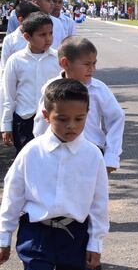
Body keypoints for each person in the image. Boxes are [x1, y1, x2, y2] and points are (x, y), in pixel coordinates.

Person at [0, 78, 109, 270]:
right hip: (37, 233)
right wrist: (4, 236)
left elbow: (99, 202)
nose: (71, 126)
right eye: (62, 119)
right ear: (46, 115)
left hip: (76, 234)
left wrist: (96, 242)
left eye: (79, 119)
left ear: (87, 115)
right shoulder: (31, 152)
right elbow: (13, 195)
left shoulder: (92, 154)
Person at [32, 37, 125, 173]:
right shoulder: (51, 88)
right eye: (87, 64)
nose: (92, 69)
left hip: (91, 151)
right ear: (65, 63)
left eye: (94, 64)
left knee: (88, 191)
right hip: (58, 151)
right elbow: (41, 121)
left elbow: (117, 118)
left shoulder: (99, 89)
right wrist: (41, 149)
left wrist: (112, 155)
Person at [1, 13, 60, 153]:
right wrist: (6, 125)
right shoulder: (16, 60)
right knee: (26, 160)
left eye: (50, 33)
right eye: (42, 35)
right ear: (27, 37)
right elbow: (7, 95)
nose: (48, 38)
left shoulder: (58, 59)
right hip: (24, 119)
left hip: (52, 120)